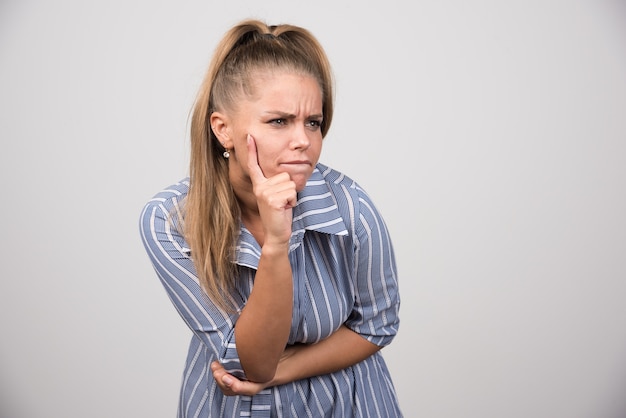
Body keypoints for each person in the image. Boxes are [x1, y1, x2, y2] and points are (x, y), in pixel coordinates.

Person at [139, 18, 402, 417]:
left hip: (347, 403)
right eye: (278, 121)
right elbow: (249, 362)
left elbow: (377, 324)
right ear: (223, 129)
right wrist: (277, 245)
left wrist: (285, 371)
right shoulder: (170, 220)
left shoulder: (351, 207)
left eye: (312, 122)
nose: (303, 140)